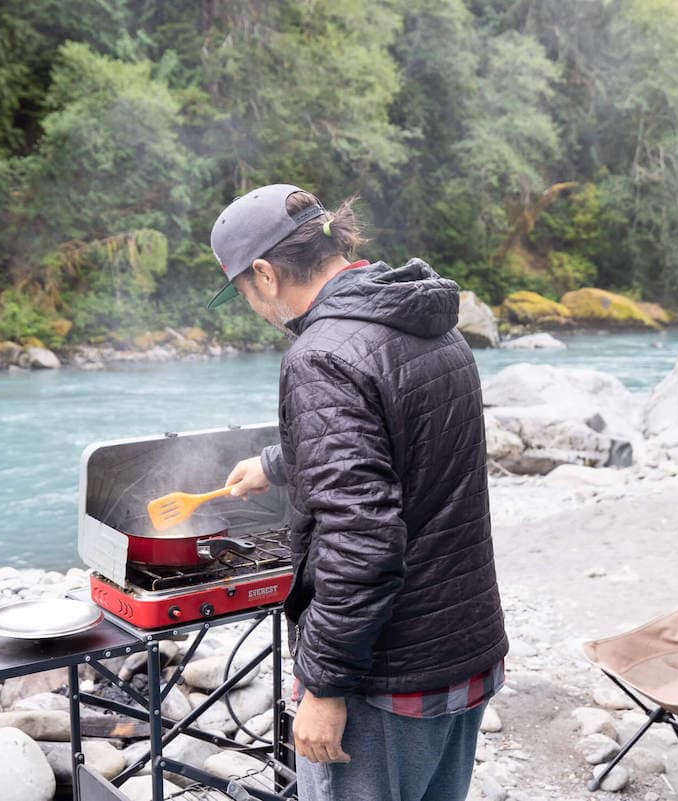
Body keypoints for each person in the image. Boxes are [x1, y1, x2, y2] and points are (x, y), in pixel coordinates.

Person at [212, 183, 509, 801]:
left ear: (264, 274)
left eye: (242, 289)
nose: (251, 303)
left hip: (388, 676)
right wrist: (278, 461)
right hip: (462, 647)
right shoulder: (425, 319)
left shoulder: (321, 355)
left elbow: (362, 542)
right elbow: (404, 445)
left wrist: (322, 689)